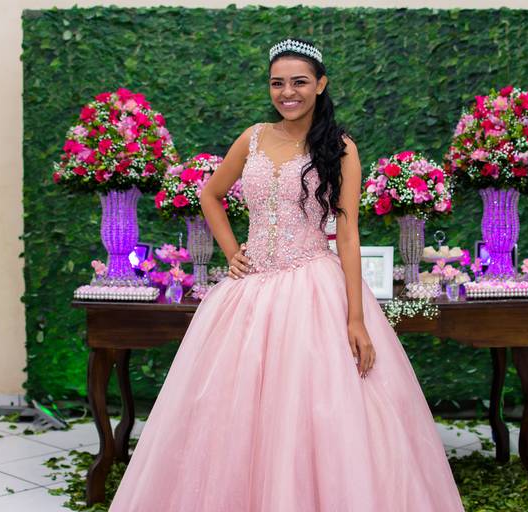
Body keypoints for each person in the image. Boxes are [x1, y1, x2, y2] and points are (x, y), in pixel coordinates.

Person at [109, 38, 465, 511]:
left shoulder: (340, 148)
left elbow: (347, 233)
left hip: (313, 287)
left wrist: (356, 318)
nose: (287, 92)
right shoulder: (253, 137)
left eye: (299, 82)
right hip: (248, 291)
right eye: (277, 83)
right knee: (232, 412)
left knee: (318, 409)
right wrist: (232, 251)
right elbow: (210, 195)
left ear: (320, 84)